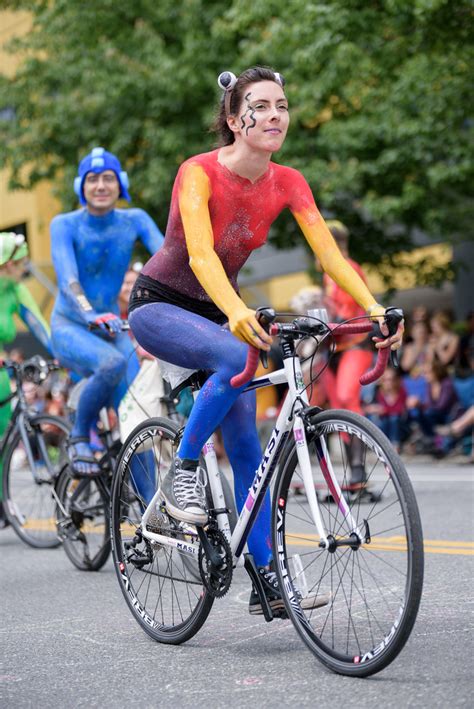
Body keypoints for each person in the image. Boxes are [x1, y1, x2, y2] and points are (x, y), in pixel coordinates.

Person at [128, 67, 403, 615]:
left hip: (220, 310)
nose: (275, 115)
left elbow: (329, 254)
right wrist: (234, 310)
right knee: (236, 355)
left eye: (282, 105)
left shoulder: (288, 181)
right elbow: (202, 254)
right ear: (234, 120)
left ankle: (267, 581)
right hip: (161, 305)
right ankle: (183, 473)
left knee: (251, 446)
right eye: (261, 105)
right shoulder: (198, 172)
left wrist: (374, 308)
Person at [50, 147, 164, 480]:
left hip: (113, 329)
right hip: (71, 326)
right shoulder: (65, 224)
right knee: (111, 364)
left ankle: (151, 517)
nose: (101, 186)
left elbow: (167, 258)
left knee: (138, 421)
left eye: (108, 179)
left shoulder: (135, 219)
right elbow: (68, 278)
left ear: (121, 184)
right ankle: (80, 435)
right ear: (81, 187)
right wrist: (88, 314)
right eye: (93, 179)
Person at [315, 220, 376, 488]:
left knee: (347, 397)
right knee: (334, 403)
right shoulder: (329, 274)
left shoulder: (348, 269)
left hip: (355, 342)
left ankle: (358, 468)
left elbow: (344, 314)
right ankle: (351, 470)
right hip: (334, 346)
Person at [0, 232, 51, 528]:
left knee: (3, 441)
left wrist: (59, 356)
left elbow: (39, 324)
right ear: (5, 264)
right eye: (20, 263)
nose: (25, 268)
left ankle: (4, 503)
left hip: (2, 370)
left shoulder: (17, 290)